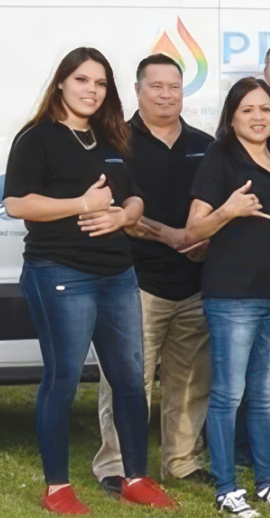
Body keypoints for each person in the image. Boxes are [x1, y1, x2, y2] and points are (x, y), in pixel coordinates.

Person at [7, 48, 163, 514]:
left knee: (130, 380)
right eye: (82, 80)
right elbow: (17, 204)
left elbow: (135, 200)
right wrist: (82, 205)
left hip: (117, 274)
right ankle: (58, 487)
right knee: (63, 379)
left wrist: (123, 214)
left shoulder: (111, 140)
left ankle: (135, 477)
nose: (91, 90)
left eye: (100, 83)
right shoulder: (36, 139)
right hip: (59, 271)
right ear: (61, 83)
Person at [183, 77, 270, 518]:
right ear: (232, 117)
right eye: (248, 110)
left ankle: (269, 484)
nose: (258, 117)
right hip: (232, 294)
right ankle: (226, 488)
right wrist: (228, 211)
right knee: (228, 394)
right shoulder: (220, 158)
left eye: (266, 109)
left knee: (264, 396)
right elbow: (192, 230)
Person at [91, 51, 212, 489]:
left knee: (190, 382)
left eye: (174, 86)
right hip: (133, 283)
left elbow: (218, 211)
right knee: (126, 381)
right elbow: (119, 211)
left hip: (194, 284)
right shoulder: (115, 144)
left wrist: (204, 241)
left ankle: (181, 462)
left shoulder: (206, 144)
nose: (166, 94)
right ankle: (117, 466)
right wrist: (175, 237)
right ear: (138, 91)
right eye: (156, 86)